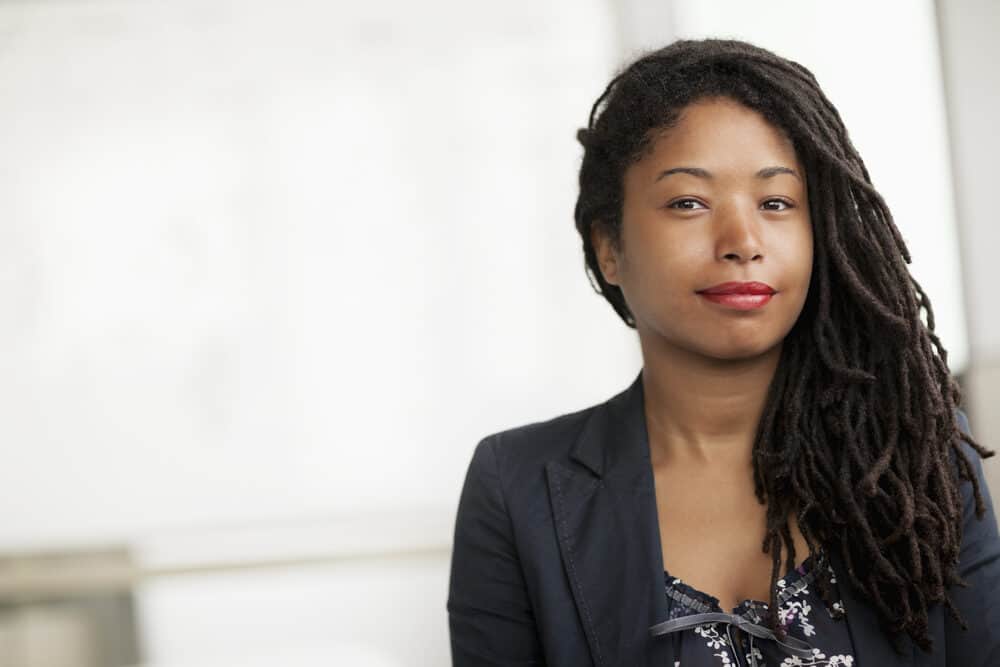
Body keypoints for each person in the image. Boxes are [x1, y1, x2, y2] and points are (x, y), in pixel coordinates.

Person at [446, 38, 1000, 667]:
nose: (742, 240)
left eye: (776, 203)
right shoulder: (517, 486)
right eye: (689, 203)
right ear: (609, 246)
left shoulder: (923, 458)